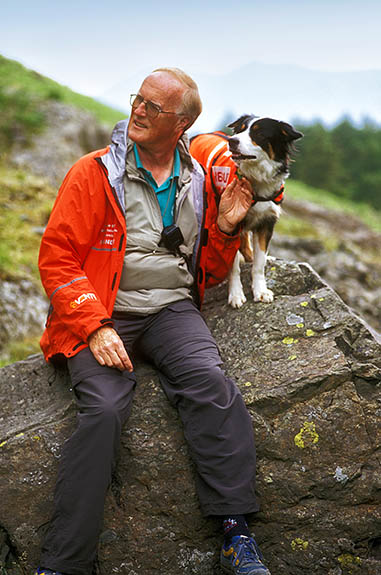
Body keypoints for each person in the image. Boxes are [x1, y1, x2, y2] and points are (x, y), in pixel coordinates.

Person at [36, 67, 271, 575]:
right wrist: (94, 326)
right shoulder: (93, 172)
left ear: (182, 123)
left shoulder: (201, 180)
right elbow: (57, 258)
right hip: (102, 310)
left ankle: (235, 532)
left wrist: (228, 228)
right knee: (102, 411)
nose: (137, 111)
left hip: (170, 308)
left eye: (153, 107)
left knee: (212, 384)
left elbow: (205, 272)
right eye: (137, 100)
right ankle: (63, 563)